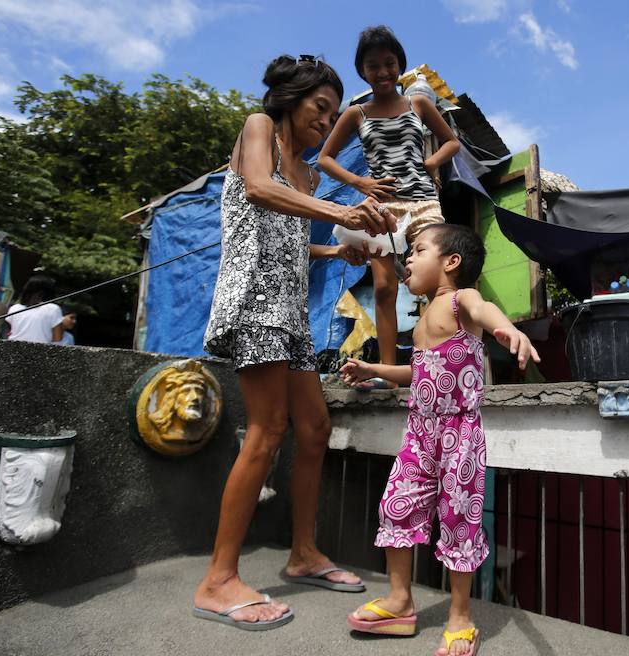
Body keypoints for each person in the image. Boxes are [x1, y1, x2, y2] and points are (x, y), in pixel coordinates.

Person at [194, 54, 396, 632]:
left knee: (314, 429)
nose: (324, 120)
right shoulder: (258, 131)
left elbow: (288, 240)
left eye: (333, 112)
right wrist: (341, 209)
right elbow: (257, 190)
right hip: (254, 303)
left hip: (290, 316)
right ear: (290, 99)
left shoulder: (306, 173)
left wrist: (336, 249)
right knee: (267, 429)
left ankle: (303, 552)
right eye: (320, 108)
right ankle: (217, 579)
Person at [339, 224, 540, 656]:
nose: (408, 260)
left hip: (459, 434)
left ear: (450, 262)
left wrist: (508, 330)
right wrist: (373, 370)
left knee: (458, 519)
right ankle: (399, 602)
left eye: (418, 251)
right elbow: (419, 372)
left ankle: (460, 617)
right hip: (420, 431)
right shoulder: (422, 321)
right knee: (397, 505)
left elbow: (486, 309)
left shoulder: (459, 299)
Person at [318, 25, 460, 387]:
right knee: (384, 287)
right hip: (382, 207)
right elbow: (325, 159)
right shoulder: (356, 114)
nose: (382, 71)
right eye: (372, 65)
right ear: (362, 70)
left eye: (389, 63)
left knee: (438, 280)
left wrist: (431, 164)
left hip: (424, 202)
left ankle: (443, 361)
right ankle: (387, 372)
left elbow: (451, 143)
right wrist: (360, 182)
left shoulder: (419, 103)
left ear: (399, 65)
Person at [5, 274, 64, 343]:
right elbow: (58, 338)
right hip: (38, 351)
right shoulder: (53, 309)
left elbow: (10, 331)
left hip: (11, 349)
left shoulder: (14, 308)